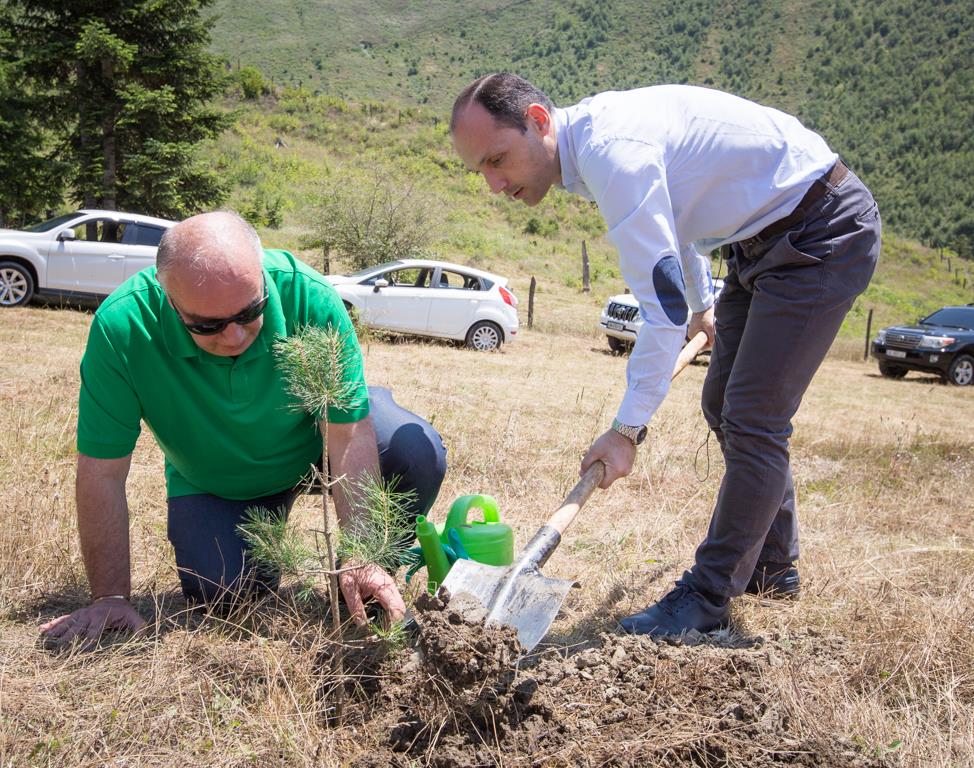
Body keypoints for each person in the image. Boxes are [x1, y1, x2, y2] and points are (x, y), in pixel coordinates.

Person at [451, 74, 880, 636]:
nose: (494, 184)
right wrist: (703, 304)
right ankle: (773, 567)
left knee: (754, 418)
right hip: (758, 241)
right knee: (724, 404)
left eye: (497, 159)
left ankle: (707, 598)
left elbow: (660, 312)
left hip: (821, 230)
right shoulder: (594, 151)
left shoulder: (612, 153)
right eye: (480, 169)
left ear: (538, 120)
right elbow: (673, 222)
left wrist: (626, 430)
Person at [40, 212, 446, 649]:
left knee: (414, 452)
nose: (234, 337)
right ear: (169, 299)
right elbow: (102, 471)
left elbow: (347, 433)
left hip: (318, 442)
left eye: (250, 312)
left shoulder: (306, 295)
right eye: (207, 325)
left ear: (261, 276)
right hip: (221, 481)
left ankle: (366, 582)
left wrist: (361, 550)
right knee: (225, 596)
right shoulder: (123, 328)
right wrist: (111, 596)